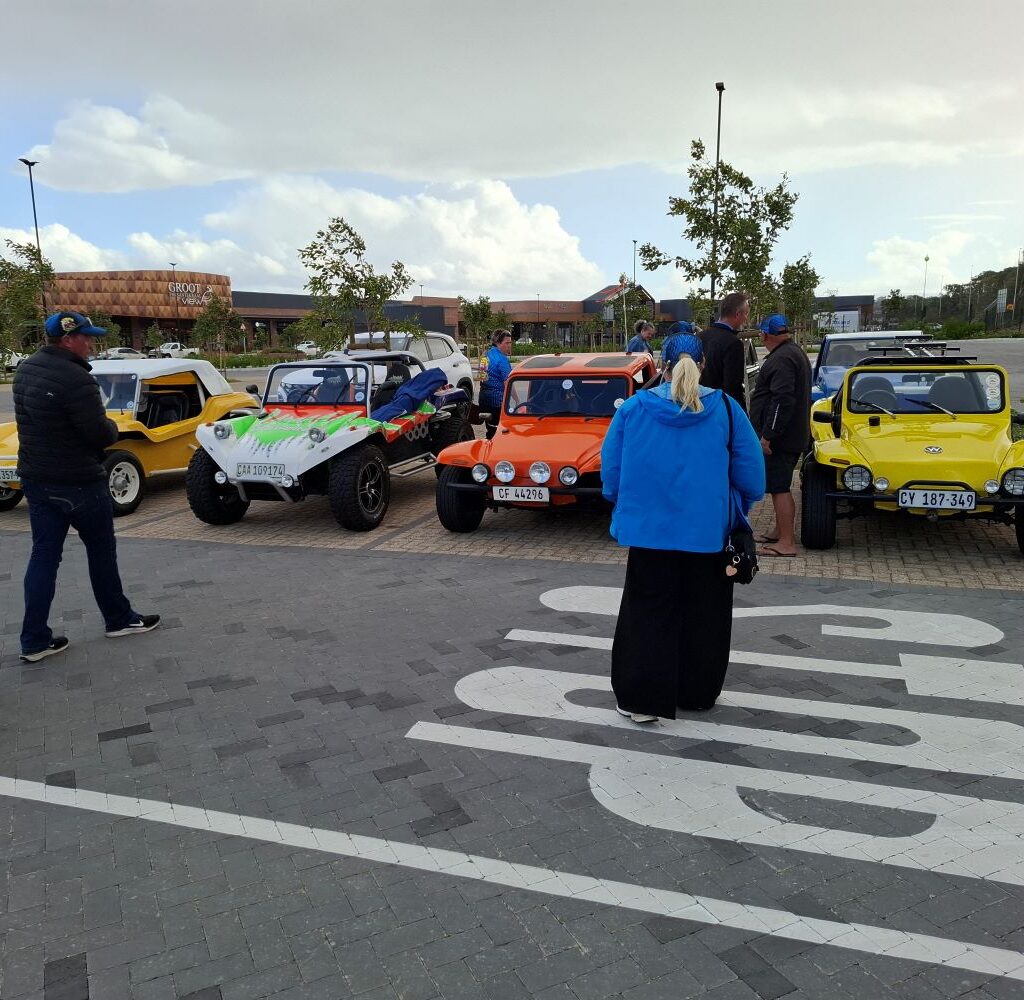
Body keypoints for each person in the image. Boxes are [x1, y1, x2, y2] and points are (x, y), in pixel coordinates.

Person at [601, 344, 765, 722]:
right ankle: (696, 692)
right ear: (703, 364)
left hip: (648, 534)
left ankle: (641, 700)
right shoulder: (725, 409)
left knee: (646, 614)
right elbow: (752, 477)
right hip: (707, 533)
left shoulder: (633, 409)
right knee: (705, 615)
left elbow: (611, 475)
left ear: (662, 365)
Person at [14, 311, 160, 663]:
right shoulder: (76, 379)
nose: (92, 344)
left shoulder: (26, 370)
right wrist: (111, 426)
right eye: (87, 337)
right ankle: (118, 619)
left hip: (36, 477)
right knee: (101, 549)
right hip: (78, 480)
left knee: (43, 555)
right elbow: (97, 432)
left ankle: (34, 640)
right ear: (68, 339)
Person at [749, 314, 812, 558]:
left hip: (781, 439)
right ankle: (780, 531)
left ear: (765, 334)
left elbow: (782, 401)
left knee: (779, 487)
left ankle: (786, 542)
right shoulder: (793, 352)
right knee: (780, 485)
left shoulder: (782, 359)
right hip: (791, 434)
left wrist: (768, 435)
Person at [699, 291, 750, 410]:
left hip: (697, 407)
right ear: (737, 314)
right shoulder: (733, 344)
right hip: (719, 410)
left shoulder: (699, 337)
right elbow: (733, 388)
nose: (746, 318)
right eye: (746, 314)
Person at [479, 329, 513, 440]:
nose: (509, 346)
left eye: (510, 343)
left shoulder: (485, 355)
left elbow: (482, 377)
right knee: (500, 432)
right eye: (507, 343)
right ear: (498, 343)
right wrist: (517, 401)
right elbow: (509, 383)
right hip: (498, 402)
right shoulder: (502, 360)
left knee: (490, 430)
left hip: (484, 400)